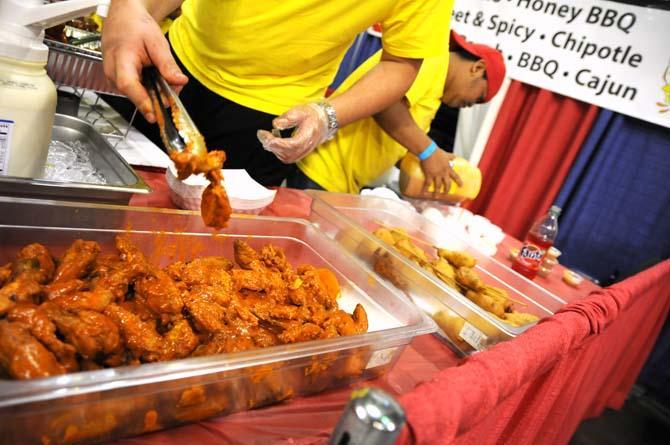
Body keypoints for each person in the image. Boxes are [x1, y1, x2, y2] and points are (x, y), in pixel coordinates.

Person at [101, 0, 454, 186]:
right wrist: (132, 7)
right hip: (175, 65)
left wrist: (327, 115)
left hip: (271, 120)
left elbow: (401, 64)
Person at [291, 31, 506, 194]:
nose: (470, 105)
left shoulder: (435, 87)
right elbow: (384, 103)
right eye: (479, 97)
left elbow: (394, 137)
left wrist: (426, 165)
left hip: (341, 182)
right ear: (477, 68)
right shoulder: (431, 59)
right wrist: (429, 151)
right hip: (323, 171)